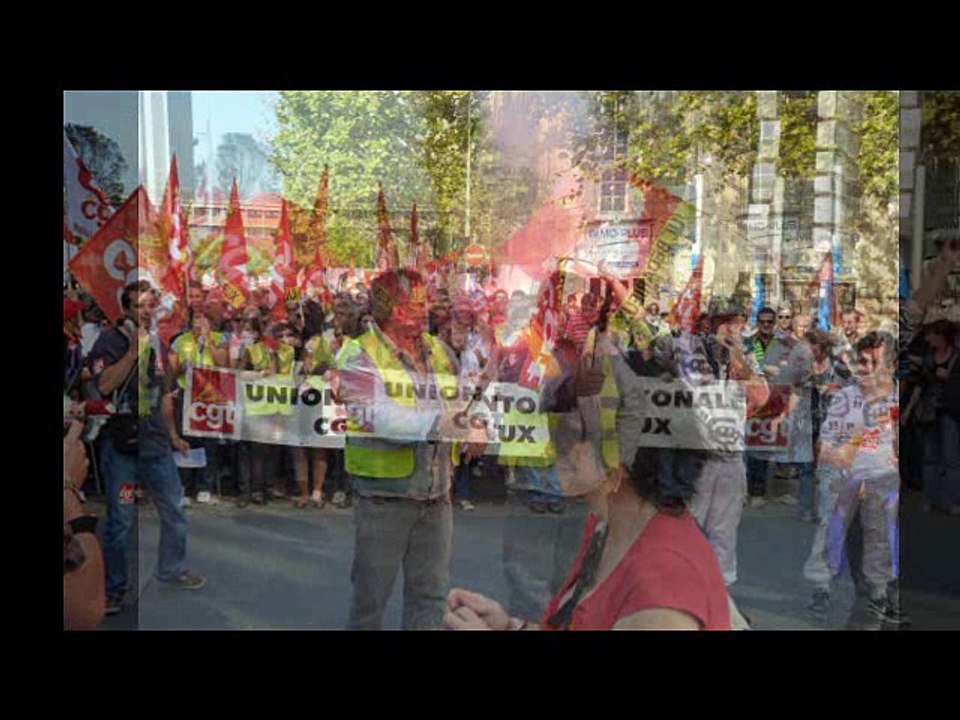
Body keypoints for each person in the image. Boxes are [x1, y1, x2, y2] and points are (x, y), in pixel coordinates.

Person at [444, 447, 731, 630]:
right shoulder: (606, 524)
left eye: (574, 430)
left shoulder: (661, 587)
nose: (556, 442)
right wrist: (509, 626)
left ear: (619, 463)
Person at [337, 268, 480, 630]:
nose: (421, 310)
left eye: (422, 302)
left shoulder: (438, 350)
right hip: (383, 499)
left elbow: (459, 401)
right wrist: (437, 424)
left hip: (436, 497)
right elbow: (376, 415)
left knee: (430, 598)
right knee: (371, 602)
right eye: (410, 305)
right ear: (386, 310)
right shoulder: (359, 354)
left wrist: (474, 425)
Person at [87, 280, 205, 617]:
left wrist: (173, 436)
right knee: (121, 519)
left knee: (175, 510)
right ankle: (115, 588)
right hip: (123, 450)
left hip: (155, 448)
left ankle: (171, 568)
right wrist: (132, 351)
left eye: (151, 306)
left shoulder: (159, 343)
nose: (147, 312)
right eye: (139, 306)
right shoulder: (110, 340)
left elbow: (164, 394)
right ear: (126, 309)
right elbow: (104, 384)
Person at [167, 308, 228, 505]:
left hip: (210, 395)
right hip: (187, 394)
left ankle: (205, 486)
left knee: (209, 443)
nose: (199, 322)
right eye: (196, 318)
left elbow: (223, 363)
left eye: (203, 318)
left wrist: (208, 341)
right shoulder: (181, 341)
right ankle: (184, 486)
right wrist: (181, 368)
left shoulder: (219, 339)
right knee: (186, 440)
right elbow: (170, 370)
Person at [910, 315, 960, 514]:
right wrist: (908, 410)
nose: (928, 339)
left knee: (951, 457)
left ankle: (952, 500)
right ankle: (931, 498)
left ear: (942, 336)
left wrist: (949, 378)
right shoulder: (928, 358)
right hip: (928, 411)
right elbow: (919, 386)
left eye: (931, 335)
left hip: (950, 412)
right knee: (930, 458)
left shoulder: (957, 358)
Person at [64, 420, 105, 630]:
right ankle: (116, 588)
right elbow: (86, 614)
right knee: (122, 519)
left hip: (137, 471)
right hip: (123, 459)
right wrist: (66, 486)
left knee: (123, 506)